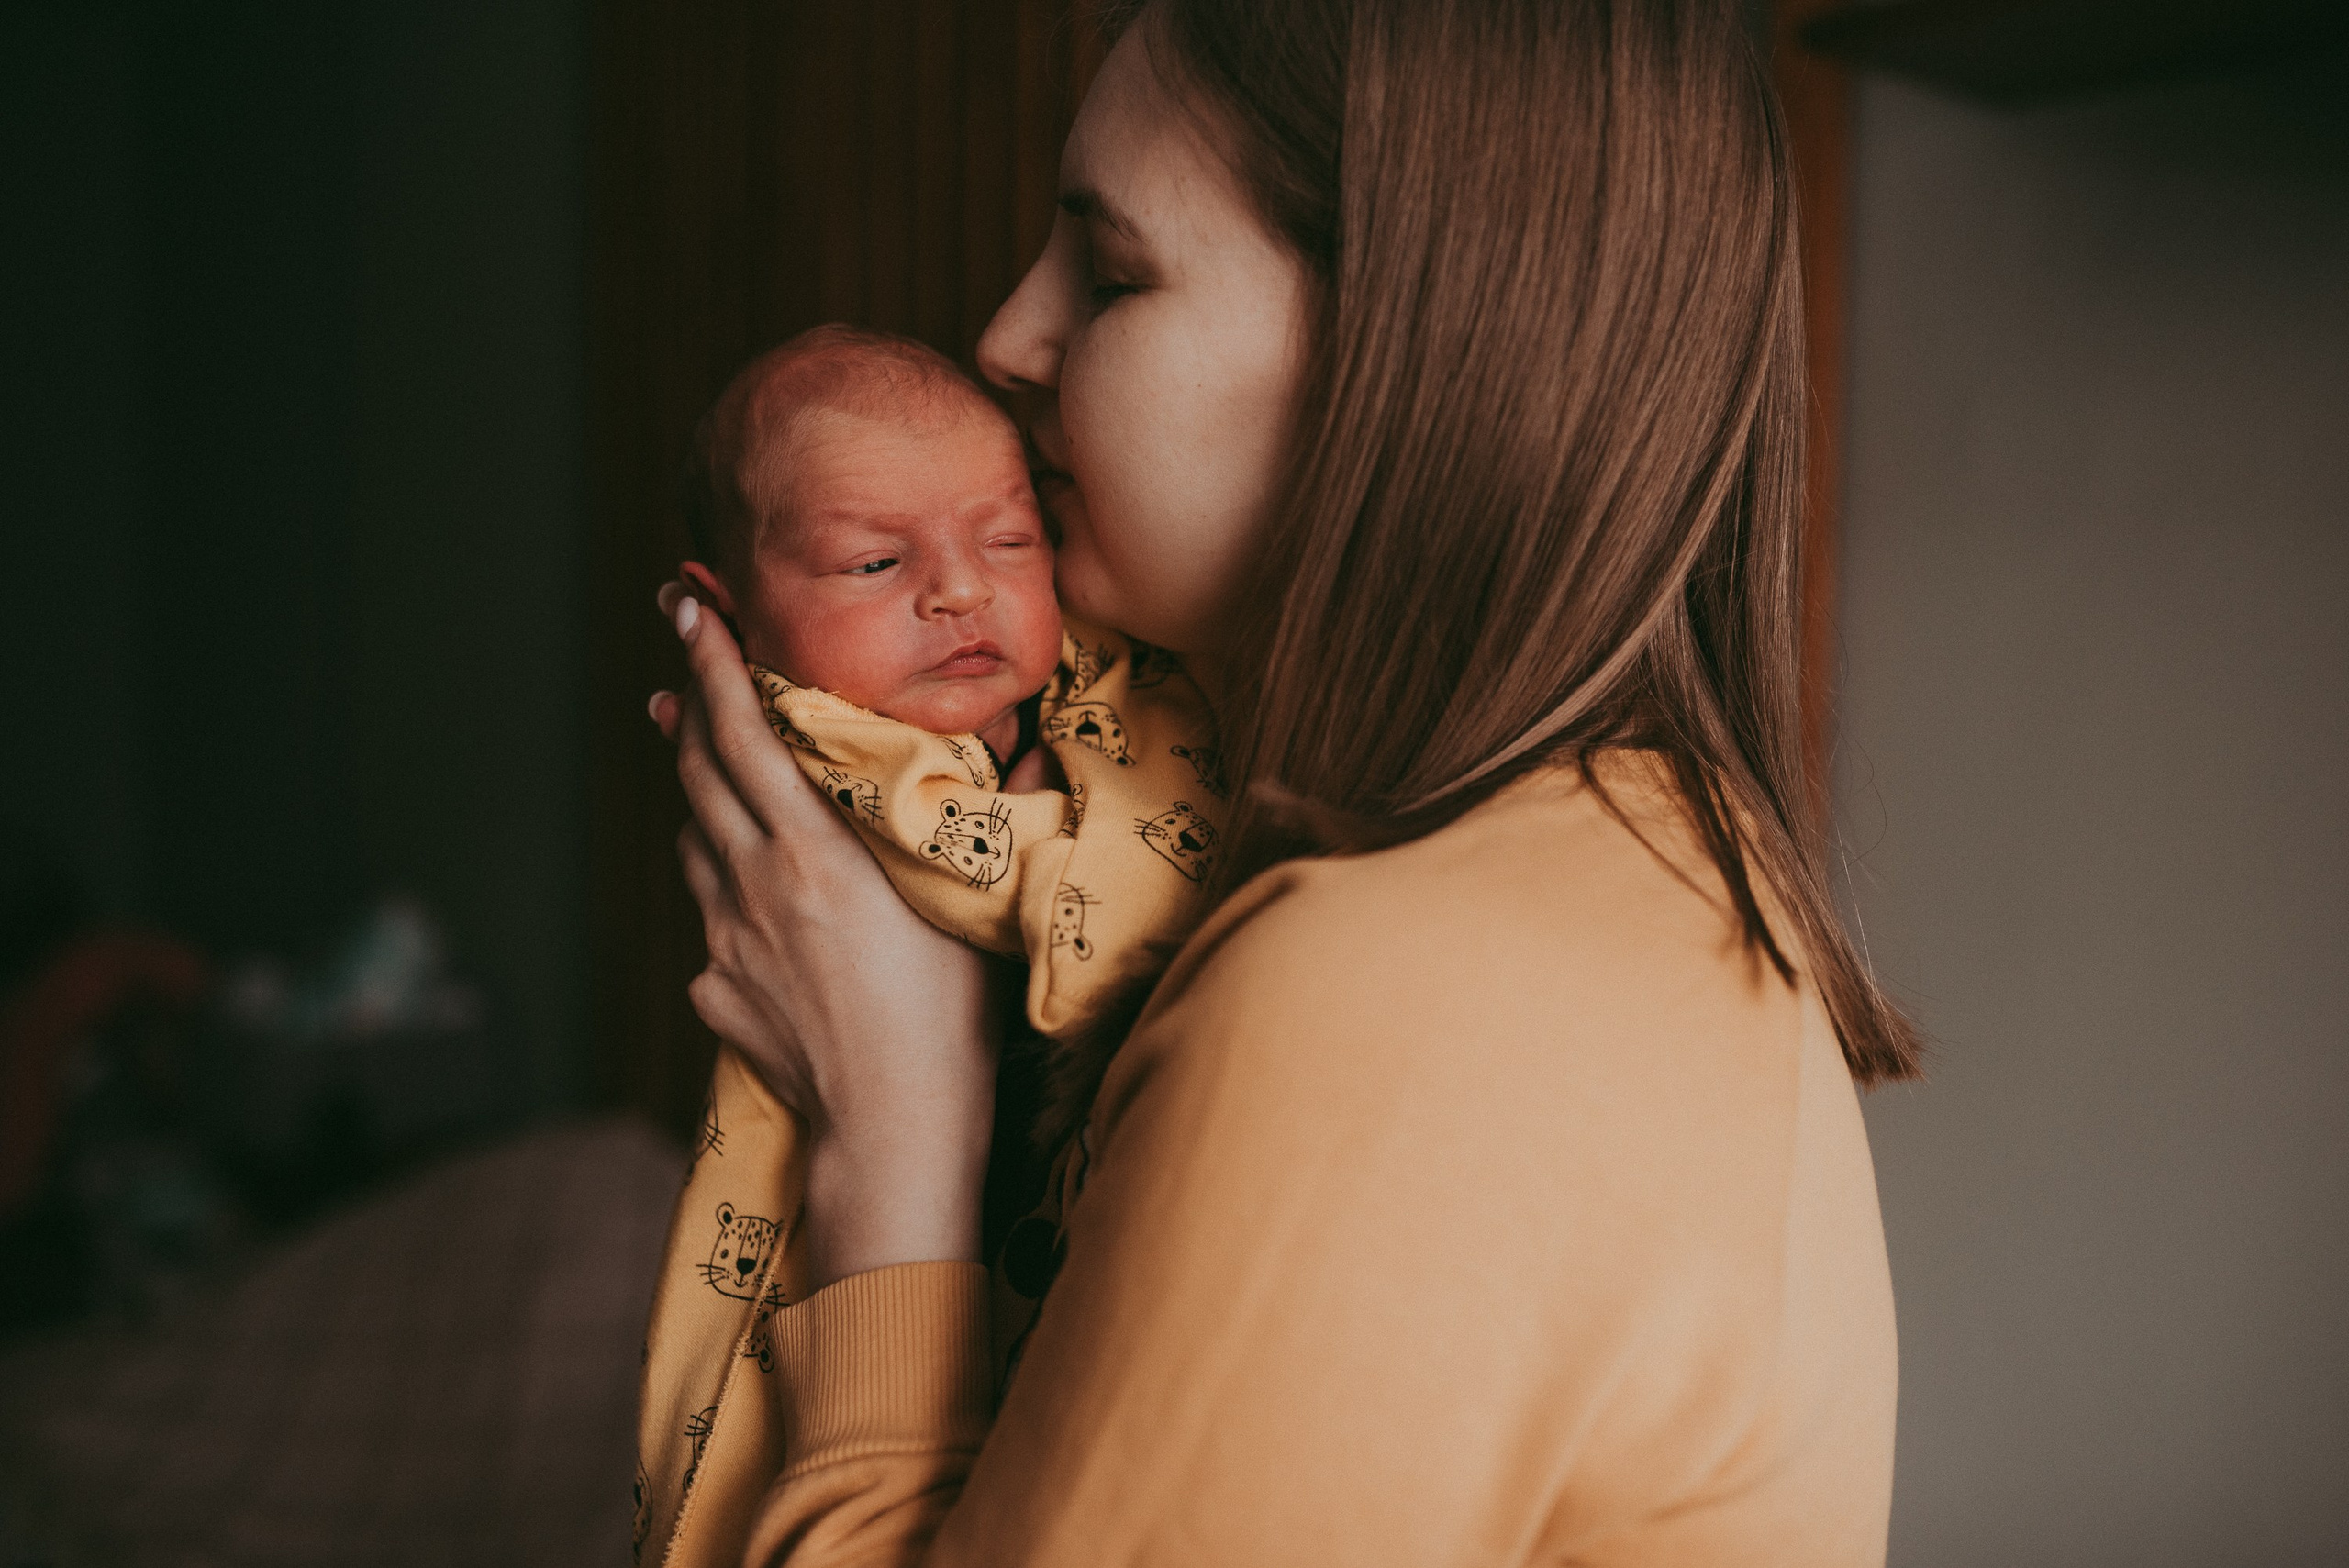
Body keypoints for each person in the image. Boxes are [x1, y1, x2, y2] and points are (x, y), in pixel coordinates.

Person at [647, 0, 1921, 1562]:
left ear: (1416, 356)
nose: (1006, 335)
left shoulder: (1407, 995)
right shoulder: (1624, 868)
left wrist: (891, 1118)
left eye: (1113, 273)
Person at [632, 327, 1229, 1565]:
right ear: (731, 620)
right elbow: (972, 862)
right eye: (875, 559)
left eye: (1010, 540)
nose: (960, 588)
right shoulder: (816, 735)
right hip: (854, 1246)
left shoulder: (1092, 684)